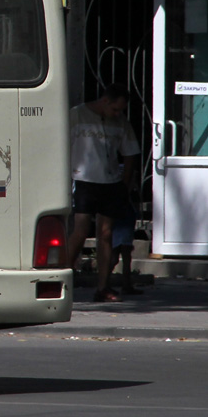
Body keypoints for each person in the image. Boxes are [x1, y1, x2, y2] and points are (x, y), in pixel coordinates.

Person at [67, 83, 140, 302]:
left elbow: (130, 152)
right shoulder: (77, 115)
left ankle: (103, 286)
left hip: (110, 182)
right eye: (115, 109)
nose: (118, 114)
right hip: (83, 179)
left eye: (121, 110)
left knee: (106, 234)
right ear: (105, 101)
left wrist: (124, 185)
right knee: (79, 231)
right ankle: (62, 279)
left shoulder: (120, 123)